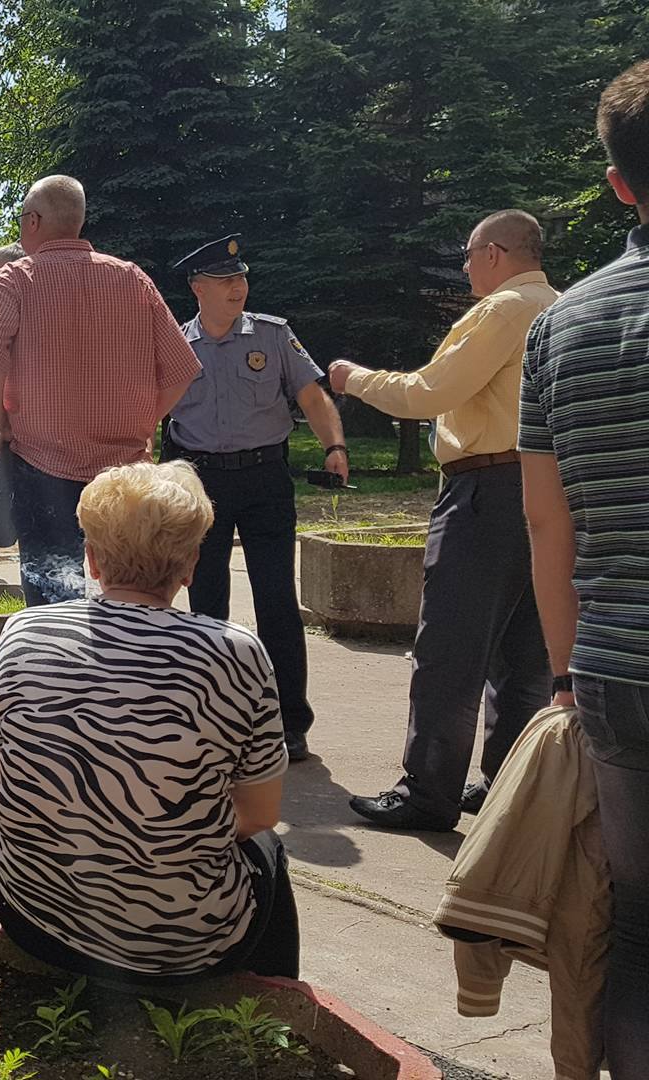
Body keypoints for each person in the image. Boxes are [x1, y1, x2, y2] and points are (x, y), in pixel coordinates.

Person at [0, 460, 295, 981]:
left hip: (32, 917)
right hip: (181, 944)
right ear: (191, 565)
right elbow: (259, 814)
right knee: (267, 850)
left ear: (91, 560)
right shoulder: (234, 653)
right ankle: (270, 1003)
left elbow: (6, 775)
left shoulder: (22, 633)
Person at [330, 209, 557, 830]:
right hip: (546, 486)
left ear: (495, 253)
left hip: (485, 488)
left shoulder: (502, 311)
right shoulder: (561, 306)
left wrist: (355, 379)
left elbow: (428, 393)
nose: (464, 267)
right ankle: (506, 782)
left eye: (468, 255)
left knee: (450, 648)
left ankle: (427, 793)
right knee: (525, 652)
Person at [517, 59, 649, 1075]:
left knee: (635, 925)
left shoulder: (561, 325)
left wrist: (563, 675)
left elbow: (546, 523)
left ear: (617, 183)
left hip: (614, 673)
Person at [0, 176, 200, 605]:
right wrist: (143, 422)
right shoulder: (132, 278)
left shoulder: (13, 279)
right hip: (125, 473)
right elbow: (182, 368)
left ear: (33, 221)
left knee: (53, 597)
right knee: (131, 591)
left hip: (42, 465)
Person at [165, 234, 348, 762]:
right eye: (225, 280)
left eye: (241, 277)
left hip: (265, 478)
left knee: (277, 602)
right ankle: (213, 719)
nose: (237, 287)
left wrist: (334, 446)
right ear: (198, 288)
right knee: (207, 604)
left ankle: (290, 722)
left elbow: (312, 395)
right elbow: (154, 408)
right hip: (202, 482)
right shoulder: (176, 344)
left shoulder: (273, 334)